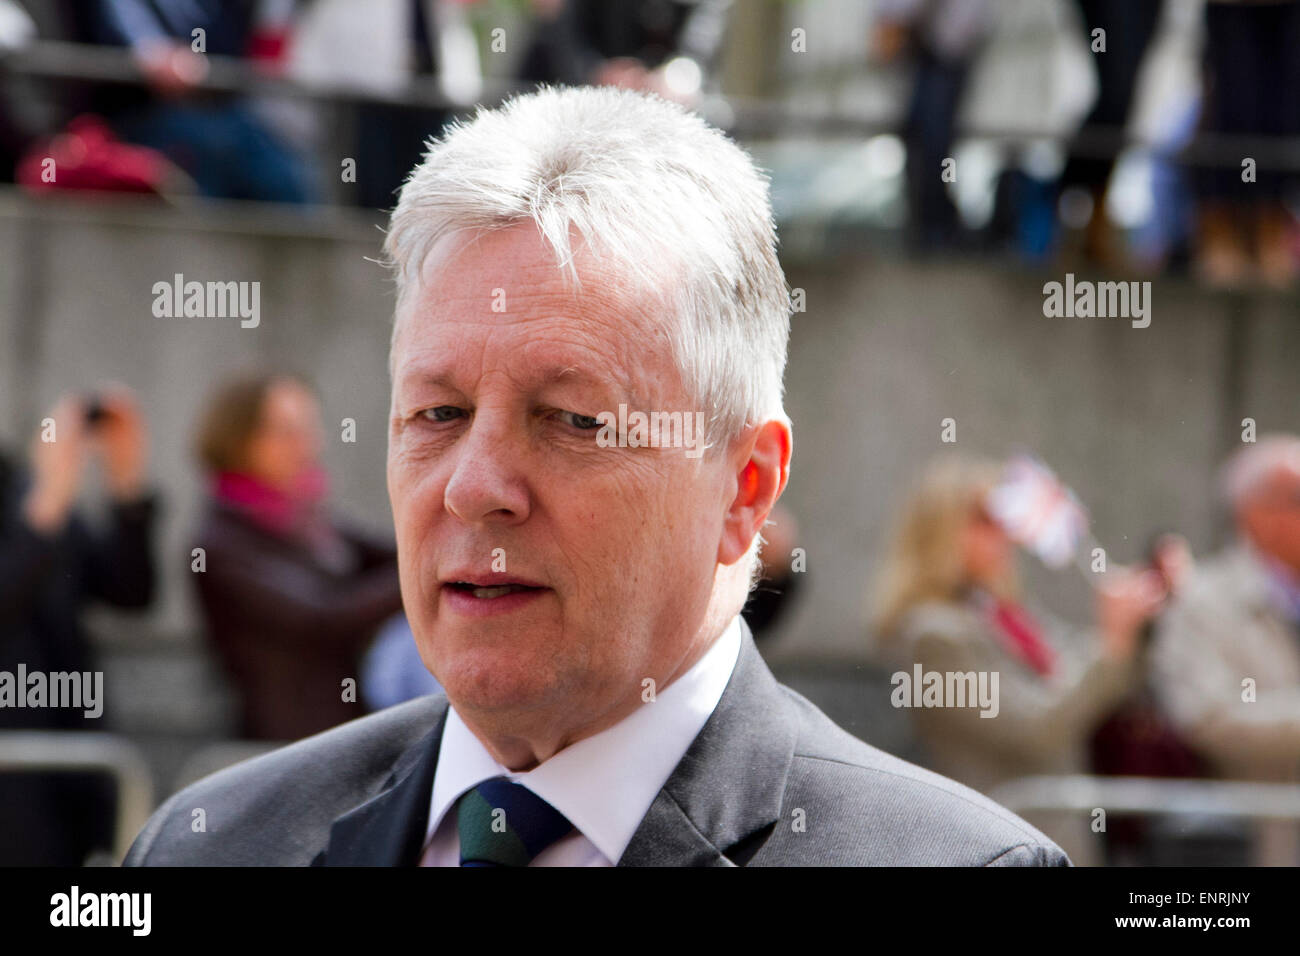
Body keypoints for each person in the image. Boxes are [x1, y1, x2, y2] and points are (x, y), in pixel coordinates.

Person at [126, 87, 1067, 867]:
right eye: (438, 415)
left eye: (574, 420)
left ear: (744, 487)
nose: (474, 486)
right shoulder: (209, 847)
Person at [870, 455, 1164, 864]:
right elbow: (1034, 730)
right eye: (985, 519)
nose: (1007, 531)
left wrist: (1139, 623)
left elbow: (1093, 676)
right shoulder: (933, 635)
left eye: (1005, 516)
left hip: (1045, 837)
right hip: (998, 844)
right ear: (941, 529)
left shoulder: (1004, 615)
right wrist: (1112, 642)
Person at [188, 372, 404, 741]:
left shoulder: (306, 519)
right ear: (239, 440)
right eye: (286, 431)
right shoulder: (219, 544)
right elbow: (323, 618)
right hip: (282, 745)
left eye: (309, 427)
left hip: (342, 733)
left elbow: (392, 554)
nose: (307, 444)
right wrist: (425, 571)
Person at [0, 387, 158, 865]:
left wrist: (125, 485)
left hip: (69, 761)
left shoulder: (21, 489)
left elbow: (131, 593)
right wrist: (47, 503)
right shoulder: (39, 501)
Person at [1150, 436, 1300, 865]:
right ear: (1256, 515)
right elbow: (1207, 718)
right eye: (1298, 498)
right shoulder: (1204, 603)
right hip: (1258, 845)